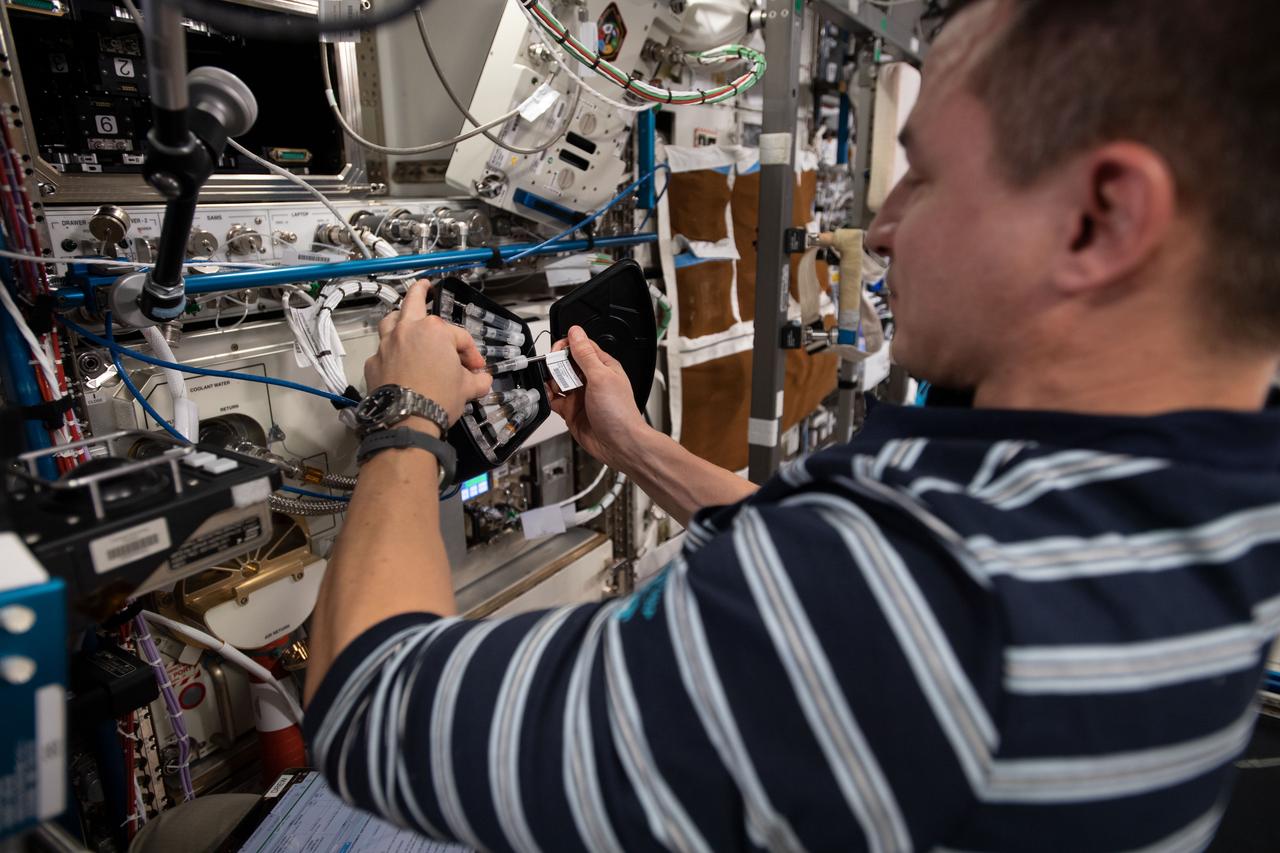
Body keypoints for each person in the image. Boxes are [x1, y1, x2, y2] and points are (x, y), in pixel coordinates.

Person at [301, 0, 1280, 849]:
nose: (885, 222)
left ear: (1100, 217)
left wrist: (407, 414)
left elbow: (369, 711)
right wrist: (632, 443)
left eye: (927, 173)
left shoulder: (926, 605)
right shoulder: (1214, 495)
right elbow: (851, 570)